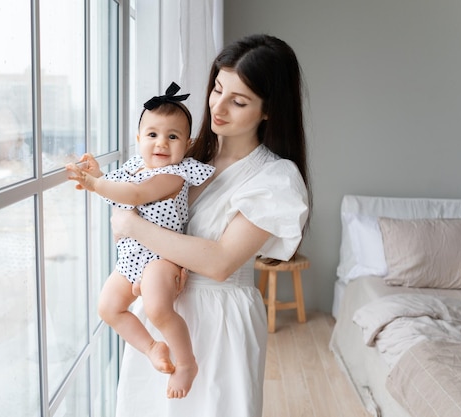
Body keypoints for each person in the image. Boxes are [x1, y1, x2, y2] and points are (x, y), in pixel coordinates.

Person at [111, 34, 312, 417]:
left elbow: (220, 262)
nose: (218, 107)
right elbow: (129, 201)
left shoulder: (274, 179)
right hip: (161, 309)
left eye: (238, 101)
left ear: (269, 110)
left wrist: (131, 225)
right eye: (217, 89)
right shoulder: (184, 149)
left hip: (221, 318)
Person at [66, 82, 215, 399]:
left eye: (172, 136)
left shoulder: (175, 174)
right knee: (108, 308)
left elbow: (135, 195)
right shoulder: (134, 167)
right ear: (138, 140)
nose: (161, 143)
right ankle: (151, 347)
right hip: (131, 260)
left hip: (163, 257)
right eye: (152, 135)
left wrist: (94, 185)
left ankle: (186, 363)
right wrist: (101, 176)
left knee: (158, 308)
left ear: (186, 145)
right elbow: (120, 192)